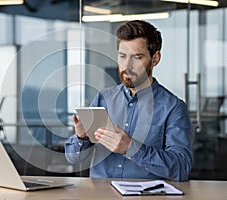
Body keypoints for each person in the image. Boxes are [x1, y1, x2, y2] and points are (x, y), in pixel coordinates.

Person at [64, 20, 193, 182]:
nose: (127, 65)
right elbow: (72, 158)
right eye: (122, 56)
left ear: (155, 58)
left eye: (137, 57)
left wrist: (131, 148)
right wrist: (81, 138)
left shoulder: (173, 108)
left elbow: (181, 168)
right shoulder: (104, 98)